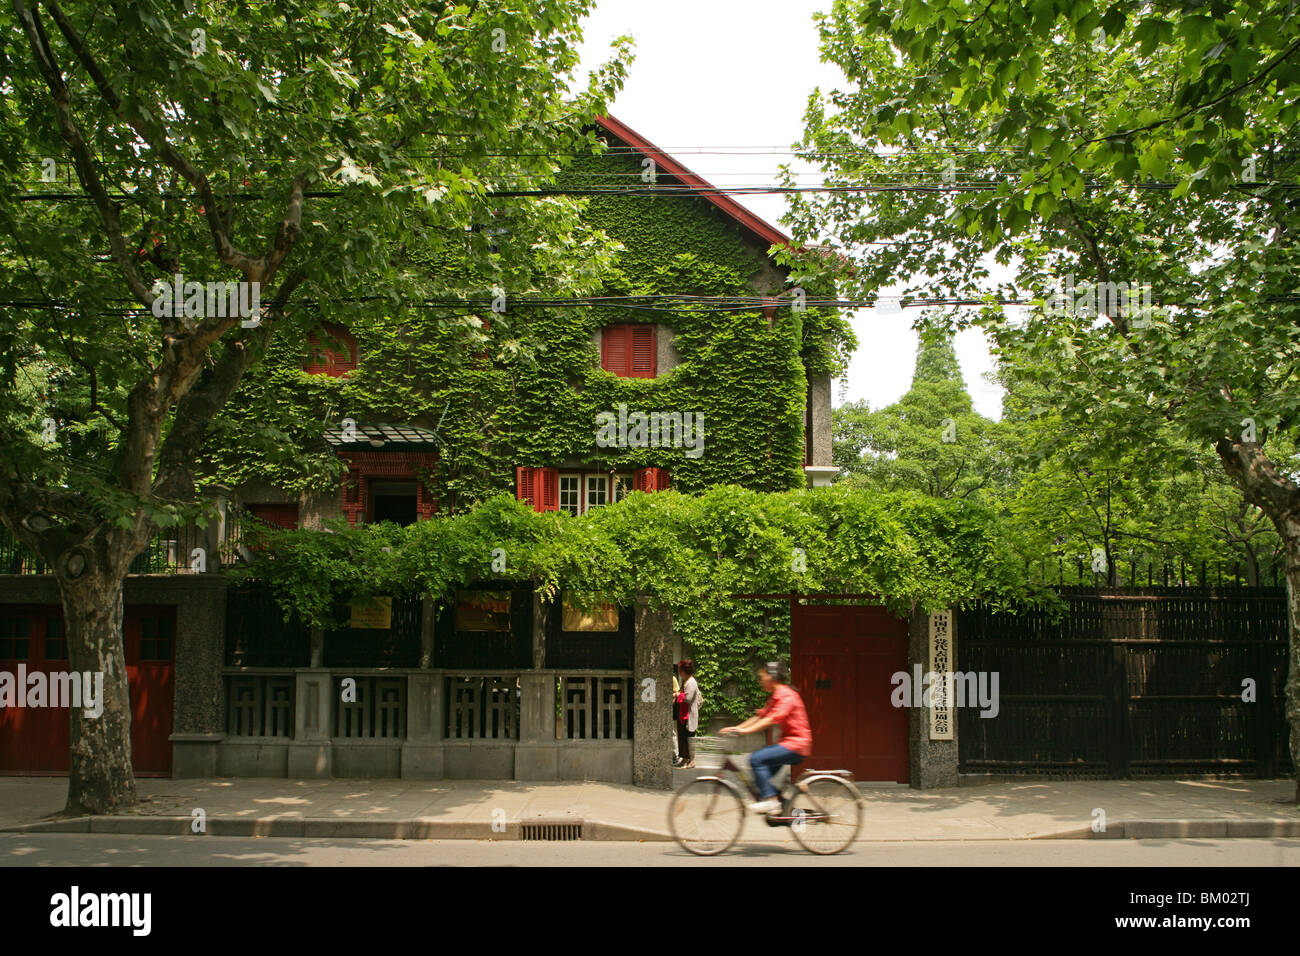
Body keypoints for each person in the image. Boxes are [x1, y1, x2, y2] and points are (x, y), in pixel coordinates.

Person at [720, 661, 812, 813]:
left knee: (756, 759)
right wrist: (737, 728)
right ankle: (783, 806)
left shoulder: (786, 695)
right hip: (789, 743)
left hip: (797, 744)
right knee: (760, 778)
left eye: (762, 677)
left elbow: (770, 719)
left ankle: (771, 801)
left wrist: (745, 732)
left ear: (772, 677)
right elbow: (760, 716)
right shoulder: (776, 696)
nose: (760, 680)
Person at [676, 659, 700, 769]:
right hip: (683, 713)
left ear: (684, 671)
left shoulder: (692, 682)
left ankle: (692, 760)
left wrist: (678, 695)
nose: (679, 672)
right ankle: (685, 758)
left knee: (689, 737)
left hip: (689, 714)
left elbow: (688, 698)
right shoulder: (686, 681)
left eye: (680, 670)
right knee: (682, 736)